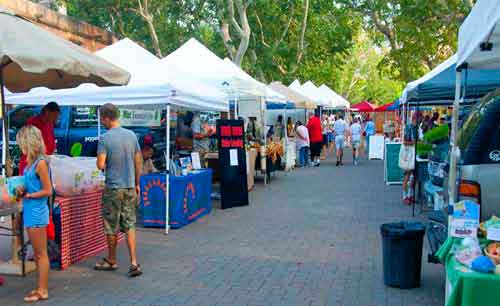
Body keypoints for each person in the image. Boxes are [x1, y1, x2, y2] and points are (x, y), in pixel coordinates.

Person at [95, 103, 143, 277]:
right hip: (130, 185)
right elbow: (139, 161)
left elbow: (100, 164)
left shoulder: (104, 138)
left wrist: (103, 161)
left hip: (114, 188)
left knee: (111, 225)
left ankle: (112, 259)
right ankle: (134, 262)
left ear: (107, 118)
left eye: (102, 118)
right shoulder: (131, 135)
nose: (102, 121)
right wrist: (137, 183)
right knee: (129, 223)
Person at [16, 126, 53, 302]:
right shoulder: (32, 162)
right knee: (38, 253)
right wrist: (24, 189)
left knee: (41, 253)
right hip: (31, 210)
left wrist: (29, 194)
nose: (19, 147)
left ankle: (43, 290)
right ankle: (40, 287)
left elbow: (48, 190)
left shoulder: (41, 163)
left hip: (37, 211)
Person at [19, 102, 60, 175]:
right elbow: (30, 146)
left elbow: (51, 142)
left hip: (45, 161)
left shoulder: (50, 124)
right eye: (55, 115)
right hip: (31, 164)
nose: (56, 118)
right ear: (47, 112)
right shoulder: (33, 123)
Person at [402, 114, 418, 205]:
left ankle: (410, 195)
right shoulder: (409, 128)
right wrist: (414, 143)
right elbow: (404, 142)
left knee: (413, 177)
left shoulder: (416, 128)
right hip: (409, 155)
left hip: (414, 155)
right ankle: (405, 196)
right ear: (415, 118)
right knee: (407, 176)